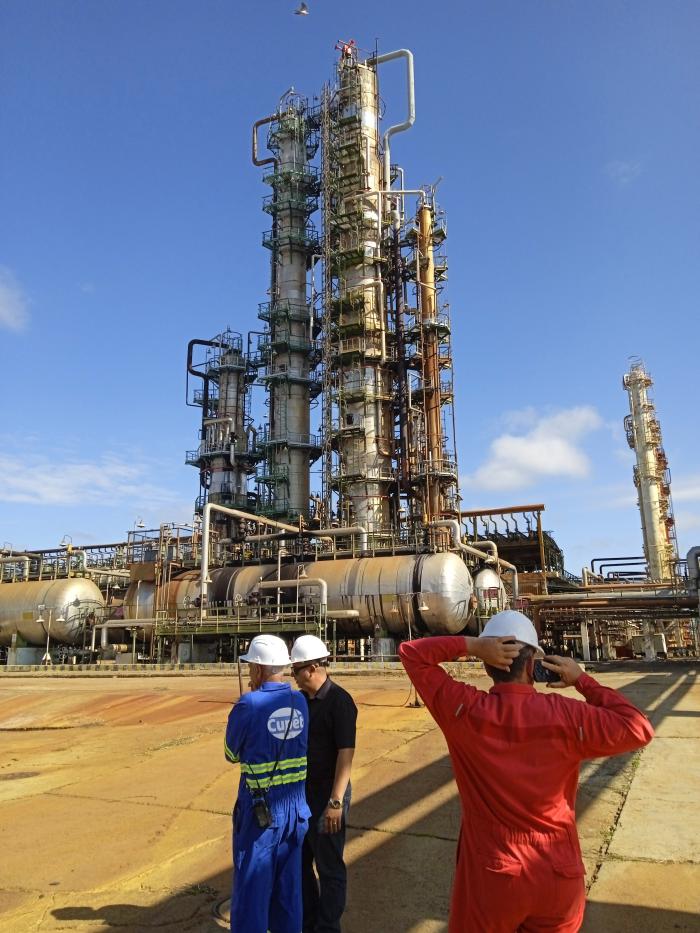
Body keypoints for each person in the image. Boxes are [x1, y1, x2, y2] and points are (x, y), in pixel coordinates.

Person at [399, 609, 654, 933]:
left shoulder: (465, 711)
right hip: (558, 873)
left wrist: (472, 645)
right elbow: (639, 728)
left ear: (488, 663)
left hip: (494, 873)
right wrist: (582, 681)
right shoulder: (567, 715)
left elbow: (411, 654)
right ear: (534, 663)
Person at [225, 634, 311, 933]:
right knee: (288, 891)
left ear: (258, 669)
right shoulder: (300, 700)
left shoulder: (249, 704)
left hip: (261, 813)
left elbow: (230, 754)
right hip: (297, 810)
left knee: (252, 891)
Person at [291, 634, 357, 933]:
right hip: (303, 794)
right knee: (300, 862)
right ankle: (308, 923)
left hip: (329, 794)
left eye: (296, 669)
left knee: (329, 866)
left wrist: (336, 802)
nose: (294, 676)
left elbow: (346, 754)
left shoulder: (339, 702)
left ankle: (328, 927)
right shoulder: (302, 701)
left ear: (313, 668)